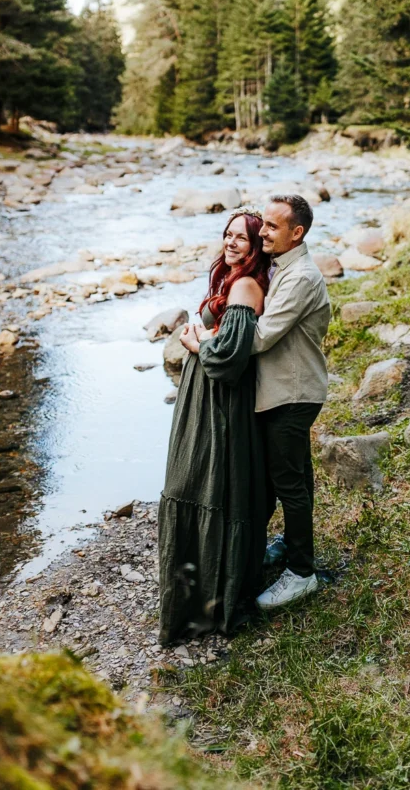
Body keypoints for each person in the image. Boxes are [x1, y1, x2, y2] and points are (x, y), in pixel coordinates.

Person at [157, 208, 270, 644]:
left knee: (203, 484)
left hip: (219, 403)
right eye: (228, 234)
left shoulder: (245, 285)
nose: (231, 242)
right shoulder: (228, 279)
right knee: (196, 483)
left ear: (257, 244)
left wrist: (197, 342)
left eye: (242, 237)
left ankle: (207, 603)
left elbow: (229, 358)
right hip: (202, 398)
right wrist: (203, 340)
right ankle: (197, 594)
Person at [251, 193, 331, 610]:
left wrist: (208, 343)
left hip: (292, 392)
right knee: (298, 476)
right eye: (262, 223)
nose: (262, 231)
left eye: (271, 226)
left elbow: (262, 335)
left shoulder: (301, 277)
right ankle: (293, 545)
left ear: (296, 233)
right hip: (290, 388)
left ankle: (302, 573)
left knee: (287, 483)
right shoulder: (283, 267)